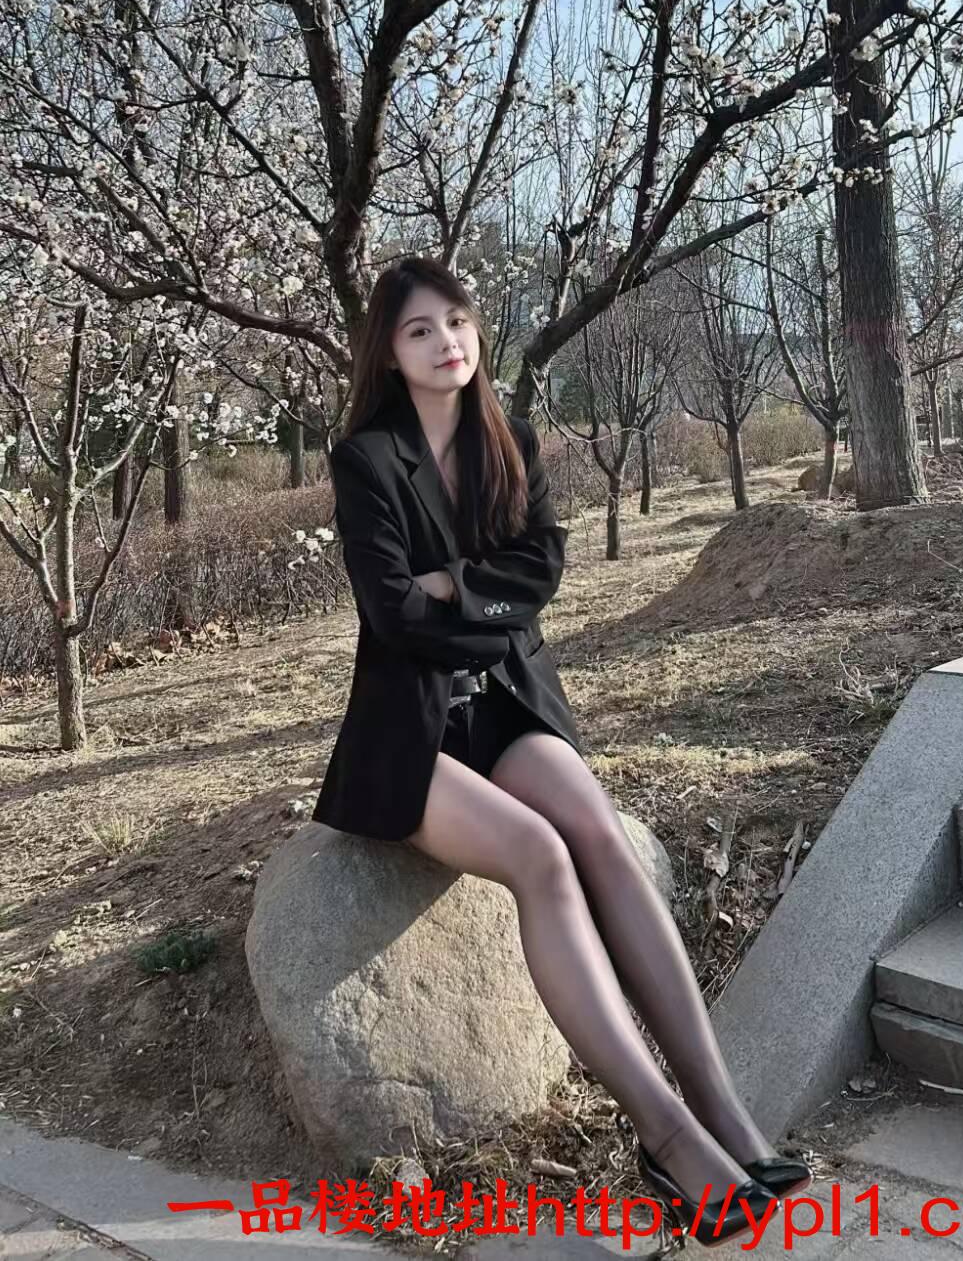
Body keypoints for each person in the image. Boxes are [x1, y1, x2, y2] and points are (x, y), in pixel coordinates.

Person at [313, 255, 810, 1248]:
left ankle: (720, 1105)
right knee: (540, 854)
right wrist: (479, 591)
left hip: (503, 703)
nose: (446, 342)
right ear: (389, 351)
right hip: (410, 732)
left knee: (594, 827)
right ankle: (666, 1134)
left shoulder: (510, 438)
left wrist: (454, 587)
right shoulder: (366, 458)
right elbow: (391, 610)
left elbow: (540, 570)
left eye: (457, 320)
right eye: (419, 330)